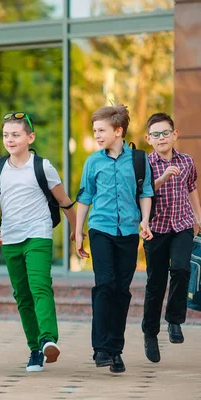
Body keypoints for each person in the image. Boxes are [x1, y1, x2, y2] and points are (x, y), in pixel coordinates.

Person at [0, 112, 76, 373]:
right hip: (10, 238)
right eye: (6, 135)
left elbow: (64, 200)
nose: (10, 140)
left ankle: (48, 339)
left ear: (30, 137)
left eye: (16, 135)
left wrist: (77, 230)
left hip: (38, 233)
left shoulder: (43, 166)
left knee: (39, 286)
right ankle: (34, 349)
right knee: (22, 295)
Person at [75, 104, 154, 373]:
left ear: (118, 131)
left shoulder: (139, 160)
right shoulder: (92, 161)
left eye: (101, 130)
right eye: (94, 130)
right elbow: (85, 197)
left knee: (121, 290)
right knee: (105, 284)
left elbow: (145, 192)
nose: (97, 135)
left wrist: (145, 220)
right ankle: (100, 348)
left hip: (130, 232)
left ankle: (115, 350)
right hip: (101, 230)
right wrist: (78, 232)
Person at [141, 112, 201, 363]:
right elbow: (142, 192)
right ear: (148, 138)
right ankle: (150, 334)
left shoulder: (187, 161)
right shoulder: (144, 163)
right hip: (156, 230)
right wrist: (163, 177)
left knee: (180, 269)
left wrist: (198, 217)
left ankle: (174, 321)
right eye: (156, 134)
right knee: (155, 283)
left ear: (174, 134)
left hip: (183, 226)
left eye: (166, 132)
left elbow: (191, 188)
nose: (161, 137)